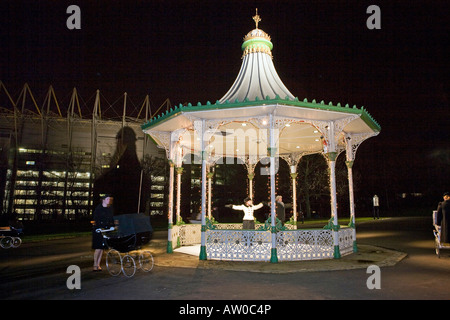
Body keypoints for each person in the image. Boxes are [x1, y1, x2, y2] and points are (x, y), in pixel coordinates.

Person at [91, 194, 115, 271]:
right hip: (98, 230)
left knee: (102, 248)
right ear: (103, 200)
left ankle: (98, 264)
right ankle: (95, 264)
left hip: (106, 230)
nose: (109, 200)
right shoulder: (98, 208)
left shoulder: (110, 208)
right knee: (98, 247)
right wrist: (99, 227)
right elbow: (96, 219)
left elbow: (111, 218)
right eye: (108, 199)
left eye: (110, 199)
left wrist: (113, 226)